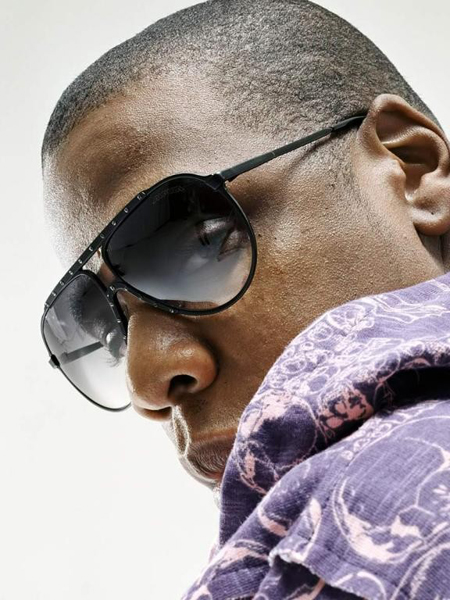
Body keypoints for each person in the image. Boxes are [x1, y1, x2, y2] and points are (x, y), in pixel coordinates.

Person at [40, 0, 450, 597]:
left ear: (412, 171)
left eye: (200, 243)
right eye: (109, 330)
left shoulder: (397, 500)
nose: (148, 381)